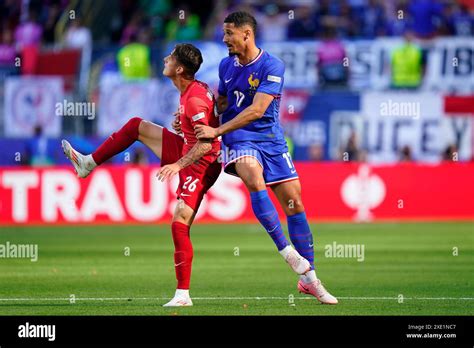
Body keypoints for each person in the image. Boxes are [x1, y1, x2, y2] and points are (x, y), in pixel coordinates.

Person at [193, 11, 337, 304]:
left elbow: (258, 110)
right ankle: (286, 251)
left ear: (247, 33)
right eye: (224, 33)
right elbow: (221, 103)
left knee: (295, 202)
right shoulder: (225, 66)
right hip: (239, 137)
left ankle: (309, 279)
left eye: (229, 33)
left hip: (270, 140)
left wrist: (216, 129)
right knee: (253, 177)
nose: (224, 39)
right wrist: (196, 117)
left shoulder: (272, 65)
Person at [61, 44, 221, 307]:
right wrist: (183, 124)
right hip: (187, 148)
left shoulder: (192, 99)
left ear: (179, 69)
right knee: (137, 126)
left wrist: (178, 165)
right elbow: (201, 126)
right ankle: (89, 163)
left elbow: (205, 144)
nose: (165, 59)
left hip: (201, 162)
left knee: (180, 218)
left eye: (170, 58)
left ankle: (183, 296)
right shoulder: (191, 91)